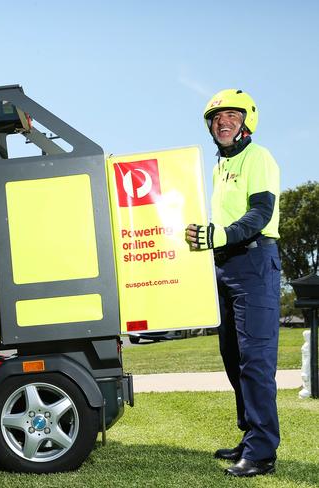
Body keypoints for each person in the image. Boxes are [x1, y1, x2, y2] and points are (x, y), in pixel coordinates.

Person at [185, 89, 281, 477]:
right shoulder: (218, 167)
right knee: (233, 356)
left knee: (256, 360)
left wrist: (220, 237)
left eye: (231, 117)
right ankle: (250, 435)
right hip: (224, 266)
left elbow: (261, 212)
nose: (223, 123)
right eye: (216, 118)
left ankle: (262, 453)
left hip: (255, 262)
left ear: (247, 122)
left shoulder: (259, 158)